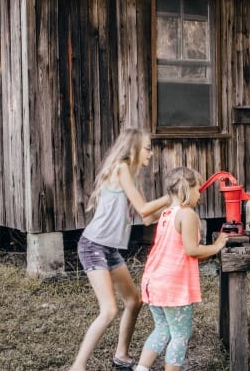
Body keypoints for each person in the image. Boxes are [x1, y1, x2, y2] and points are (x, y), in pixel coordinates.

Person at [70, 128, 170, 371]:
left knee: (134, 300)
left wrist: (175, 205)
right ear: (133, 148)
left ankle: (121, 356)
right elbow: (144, 208)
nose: (151, 153)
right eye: (147, 148)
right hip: (93, 246)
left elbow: (146, 218)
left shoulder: (132, 177)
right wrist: (171, 197)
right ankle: (78, 366)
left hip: (110, 249)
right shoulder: (122, 168)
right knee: (109, 309)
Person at [135, 167, 228, 371]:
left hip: (153, 281)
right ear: (187, 189)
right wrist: (218, 245)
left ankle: (141, 369)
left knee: (162, 330)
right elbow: (192, 250)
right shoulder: (188, 215)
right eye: (197, 189)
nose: (199, 194)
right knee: (180, 336)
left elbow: (150, 221)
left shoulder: (167, 213)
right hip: (172, 287)